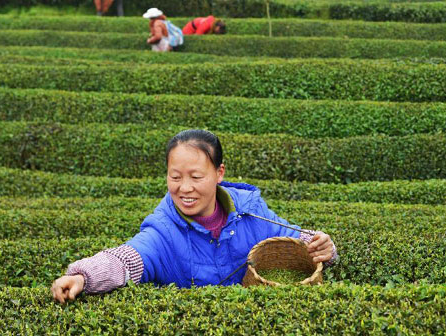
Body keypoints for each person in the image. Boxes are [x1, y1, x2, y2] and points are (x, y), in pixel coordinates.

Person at [51, 129, 338, 303]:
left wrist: (323, 245)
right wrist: (82, 277)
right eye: (175, 176)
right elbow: (127, 258)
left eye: (196, 176)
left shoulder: (250, 210)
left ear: (219, 173)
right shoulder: (163, 229)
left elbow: (296, 237)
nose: (184, 188)